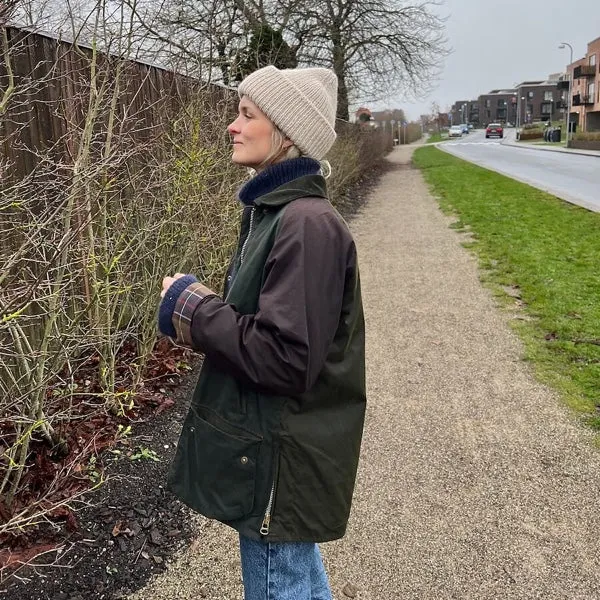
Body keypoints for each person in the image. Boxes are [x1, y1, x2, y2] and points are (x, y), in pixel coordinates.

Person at [158, 65, 366, 600]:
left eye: (247, 115)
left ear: (287, 134)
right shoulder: (276, 214)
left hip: (281, 453)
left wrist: (191, 307)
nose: (232, 125)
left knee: (281, 581)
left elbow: (284, 359)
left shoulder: (305, 224)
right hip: (274, 446)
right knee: (292, 573)